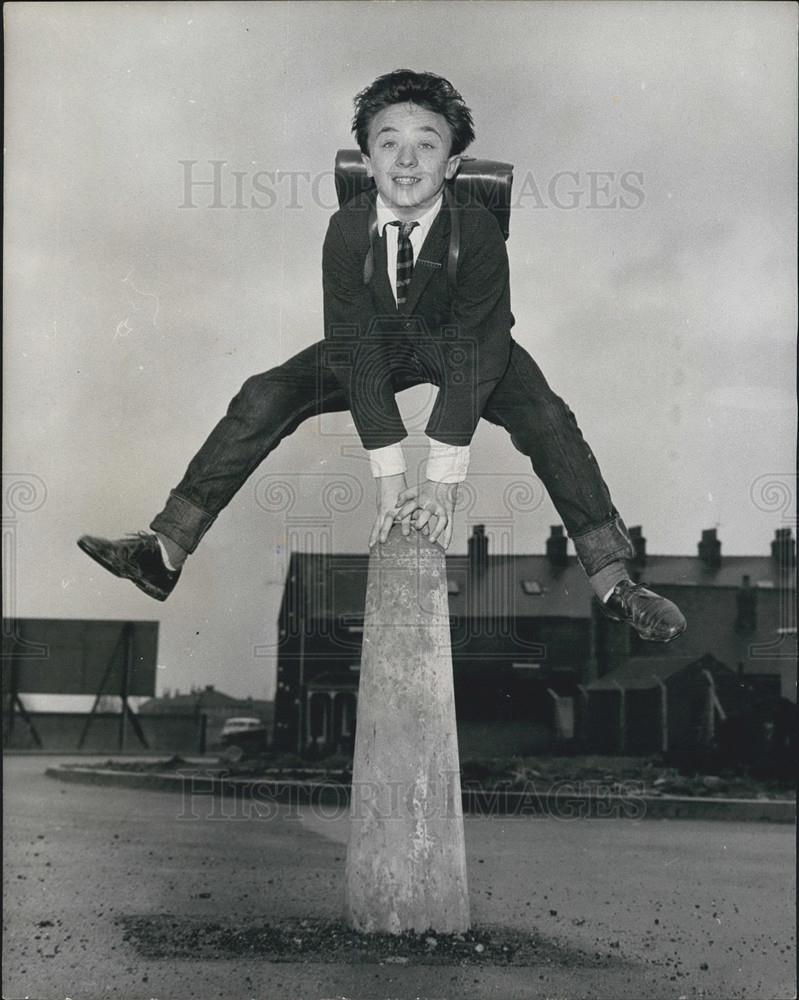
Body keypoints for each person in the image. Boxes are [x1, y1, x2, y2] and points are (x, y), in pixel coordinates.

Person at [78, 69, 686, 643]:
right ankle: (166, 551)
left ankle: (615, 583)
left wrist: (440, 483)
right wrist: (392, 480)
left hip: (469, 343)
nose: (406, 159)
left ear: (451, 165)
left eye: (426, 145)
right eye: (388, 143)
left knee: (549, 418)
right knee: (263, 393)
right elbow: (354, 350)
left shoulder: (476, 231)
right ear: (366, 159)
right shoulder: (346, 230)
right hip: (374, 343)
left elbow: (477, 349)